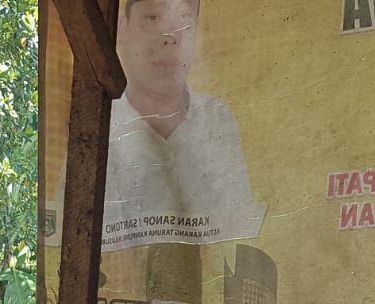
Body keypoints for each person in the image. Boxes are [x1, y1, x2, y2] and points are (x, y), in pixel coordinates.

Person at [102, 0, 263, 250]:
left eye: (184, 21)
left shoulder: (217, 118)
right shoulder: (100, 125)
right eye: (153, 18)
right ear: (123, 30)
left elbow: (238, 231)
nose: (169, 37)